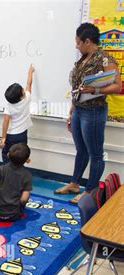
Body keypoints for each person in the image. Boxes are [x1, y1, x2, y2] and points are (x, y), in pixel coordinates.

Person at [55, 23, 122, 203]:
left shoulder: (105, 59)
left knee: (95, 154)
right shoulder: (83, 58)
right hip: (78, 109)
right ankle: (75, 184)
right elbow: (77, 88)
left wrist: (94, 90)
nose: (76, 46)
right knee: (81, 150)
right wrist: (71, 111)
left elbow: (117, 86)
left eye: (78, 42)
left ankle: (90, 191)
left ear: (87, 41)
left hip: (93, 112)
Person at [0, 143, 32, 222]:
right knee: (27, 194)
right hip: (14, 215)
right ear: (27, 160)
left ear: (8, 155)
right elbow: (24, 199)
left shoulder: (2, 169)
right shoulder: (27, 175)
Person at [0, 64, 34, 164]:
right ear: (20, 97)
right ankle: (19, 171)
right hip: (22, 135)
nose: (24, 89)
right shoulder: (26, 99)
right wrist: (30, 72)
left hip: (11, 135)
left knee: (7, 155)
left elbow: (6, 121)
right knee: (20, 156)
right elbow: (29, 84)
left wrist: (3, 138)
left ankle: (7, 173)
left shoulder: (9, 106)